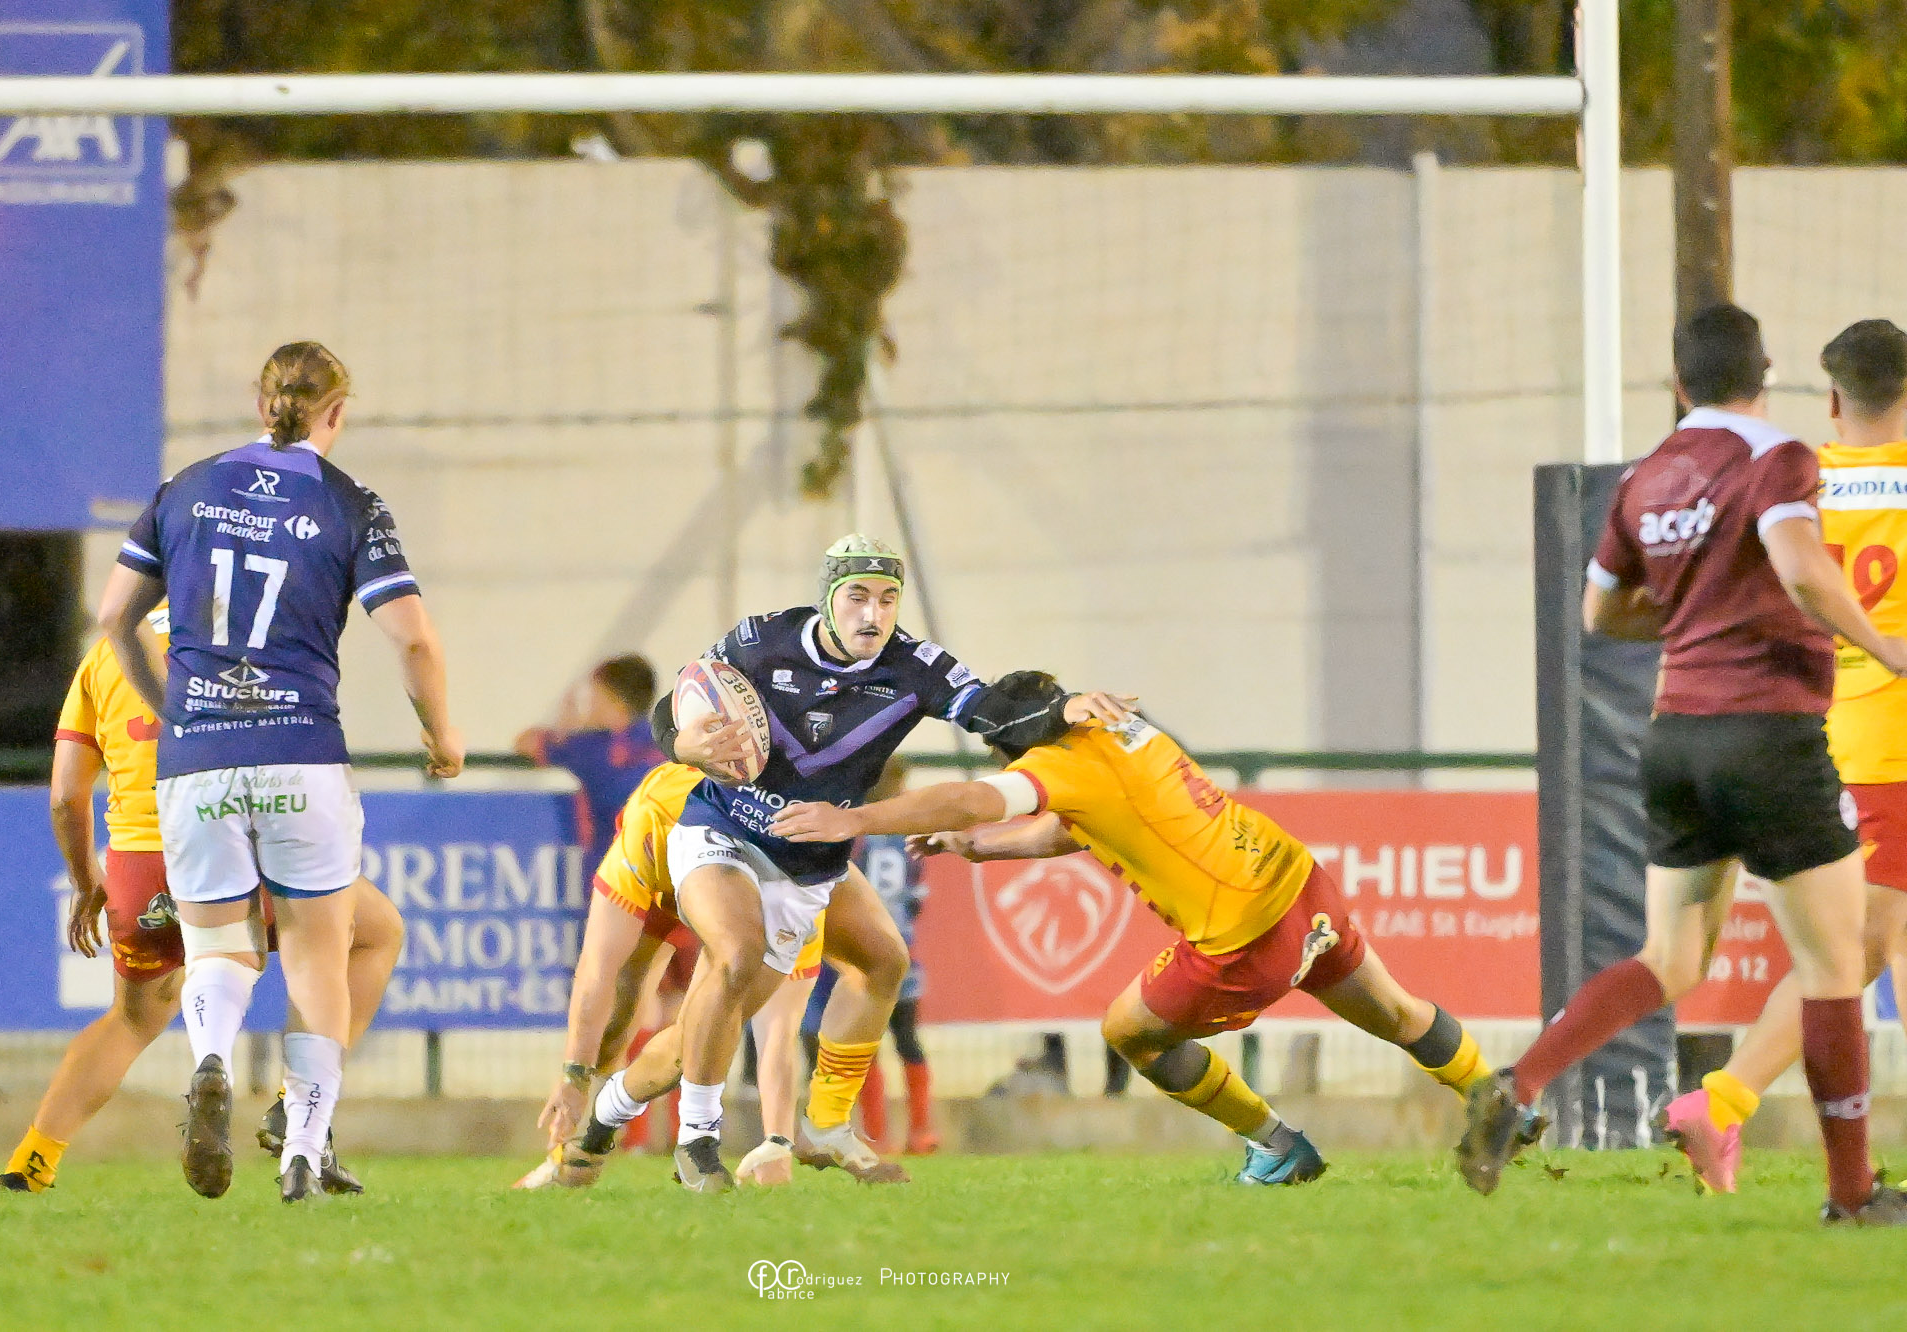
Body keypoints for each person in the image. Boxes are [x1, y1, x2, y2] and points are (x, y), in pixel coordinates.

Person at [1457, 304, 1907, 1225]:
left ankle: (1524, 1079)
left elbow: (1600, 614)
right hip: (1774, 736)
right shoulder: (1778, 460)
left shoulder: (1645, 476)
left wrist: (1701, 619)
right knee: (1834, 965)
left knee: (1670, 956)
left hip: (1675, 737)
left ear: (1676, 383)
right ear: (1766, 373)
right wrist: (1886, 649)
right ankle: (1851, 1191)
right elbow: (1802, 569)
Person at [772, 672, 1503, 1184]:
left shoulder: (1053, 765)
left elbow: (969, 798)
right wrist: (982, 850)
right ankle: (1500, 1101)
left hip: (1242, 931)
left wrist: (856, 819)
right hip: (1298, 882)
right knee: (1398, 1012)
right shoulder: (1119, 730)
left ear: (1009, 743)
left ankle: (1278, 1146)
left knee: (1131, 1033)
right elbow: (1077, 825)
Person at [641, 534, 1131, 1192]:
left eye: (887, 599)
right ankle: (698, 1141)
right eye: (858, 597)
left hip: (811, 858)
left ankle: (820, 1124)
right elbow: (678, 701)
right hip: (724, 829)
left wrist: (1061, 708)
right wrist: (680, 743)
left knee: (882, 963)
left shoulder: (914, 666)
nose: (873, 614)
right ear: (828, 599)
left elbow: (991, 711)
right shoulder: (763, 640)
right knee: (736, 955)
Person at [97, 341, 463, 1203]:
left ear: (260, 403)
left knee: (217, 946)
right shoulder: (350, 503)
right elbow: (412, 638)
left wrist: (176, 708)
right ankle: (302, 1148)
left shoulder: (183, 488)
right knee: (318, 958)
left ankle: (211, 1060)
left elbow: (113, 617)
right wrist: (440, 732)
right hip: (302, 753)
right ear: (337, 412)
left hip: (199, 758)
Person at [0, 605, 403, 1195]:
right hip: (226, 843)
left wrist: (87, 882)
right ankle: (294, 1107)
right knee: (376, 932)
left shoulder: (105, 654)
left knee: (132, 1019)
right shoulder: (242, 634)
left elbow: (64, 795)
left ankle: (29, 1167)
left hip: (138, 867)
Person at [1661, 318, 1907, 1193]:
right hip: (1898, 745)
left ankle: (1721, 1103)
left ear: (1833, 399)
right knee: (1881, 945)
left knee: (1860, 949)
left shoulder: (1793, 482)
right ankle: (1727, 1103)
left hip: (1819, 737)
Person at [518, 761, 825, 1190]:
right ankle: (576, 1145)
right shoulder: (652, 827)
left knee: (696, 1035)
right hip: (666, 871)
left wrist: (778, 1146)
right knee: (620, 1014)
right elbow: (597, 969)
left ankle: (616, 1137)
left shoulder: (796, 891)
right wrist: (574, 1075)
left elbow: (778, 1036)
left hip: (748, 895)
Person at [800, 756, 939, 1153]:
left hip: (863, 955)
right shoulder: (908, 839)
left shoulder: (856, 837)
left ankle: (877, 1135)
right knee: (908, 1040)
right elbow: (916, 899)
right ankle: (922, 1132)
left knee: (866, 1044)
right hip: (903, 954)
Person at [515, 653, 664, 859]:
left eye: (594, 698)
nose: (590, 707)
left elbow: (526, 742)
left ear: (615, 704)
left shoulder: (591, 749)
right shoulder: (665, 745)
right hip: (662, 868)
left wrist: (566, 726)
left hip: (608, 866)